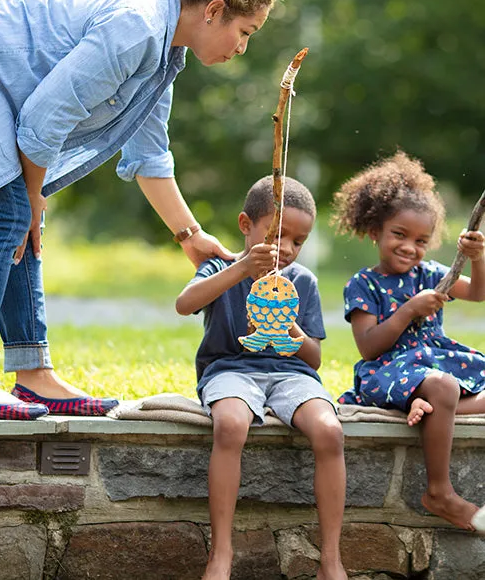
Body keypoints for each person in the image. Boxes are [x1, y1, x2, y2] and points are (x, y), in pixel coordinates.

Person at [0, 0, 276, 419]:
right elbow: (47, 118)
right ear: (213, 10)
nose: (242, 47)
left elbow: (149, 155)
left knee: (19, 215)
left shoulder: (164, 52)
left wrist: (191, 235)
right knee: (6, 217)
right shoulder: (137, 25)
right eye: (245, 31)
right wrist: (31, 195)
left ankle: (33, 375)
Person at [176, 176, 347, 580]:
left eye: (298, 240)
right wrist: (240, 270)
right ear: (245, 225)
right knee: (232, 424)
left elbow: (315, 358)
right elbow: (185, 304)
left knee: (329, 431)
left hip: (291, 375)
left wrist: (293, 331)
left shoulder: (303, 282)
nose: (286, 248)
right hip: (230, 370)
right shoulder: (219, 267)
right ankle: (221, 554)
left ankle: (331, 560)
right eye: (277, 234)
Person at [331, 150, 485, 530]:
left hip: (433, 362)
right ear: (374, 232)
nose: (409, 248)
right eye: (399, 235)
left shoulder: (432, 273)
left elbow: (479, 292)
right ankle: (440, 492)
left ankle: (429, 408)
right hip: (388, 368)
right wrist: (408, 311)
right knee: (444, 386)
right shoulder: (364, 284)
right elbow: (368, 346)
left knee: (443, 387)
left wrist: (477, 258)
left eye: (421, 241)